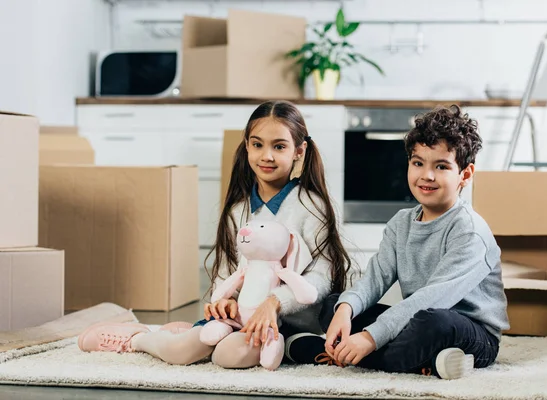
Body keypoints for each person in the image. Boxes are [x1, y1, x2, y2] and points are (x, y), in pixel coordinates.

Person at [77, 100, 352, 368]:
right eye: (257, 145)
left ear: (298, 151)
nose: (266, 156)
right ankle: (138, 339)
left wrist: (275, 302)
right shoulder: (238, 210)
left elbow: (322, 278)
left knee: (227, 357)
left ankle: (184, 333)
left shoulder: (312, 206)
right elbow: (227, 272)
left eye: (279, 146)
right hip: (239, 320)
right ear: (246, 146)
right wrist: (224, 302)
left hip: (291, 325)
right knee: (183, 352)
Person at [288, 104, 509, 379]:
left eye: (441, 166)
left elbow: (432, 300)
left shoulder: (470, 232)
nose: (426, 176)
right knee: (333, 306)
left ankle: (322, 352)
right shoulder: (401, 223)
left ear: (464, 174)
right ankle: (428, 362)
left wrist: (369, 338)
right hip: (416, 319)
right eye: (418, 163)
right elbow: (375, 279)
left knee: (432, 322)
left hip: (470, 332)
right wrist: (346, 310)